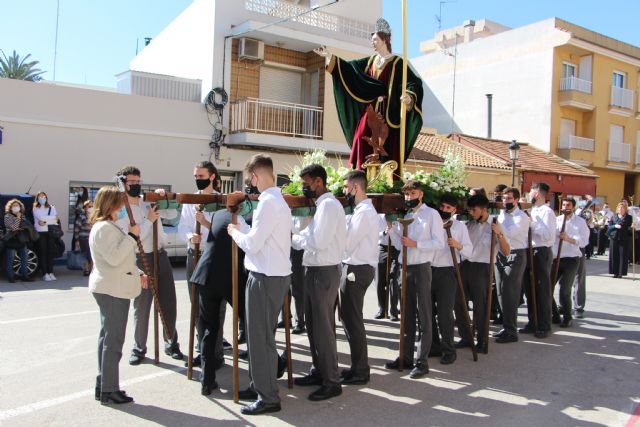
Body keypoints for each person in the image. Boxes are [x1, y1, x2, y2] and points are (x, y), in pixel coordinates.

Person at [227, 154, 293, 415]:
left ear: (255, 175)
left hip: (265, 277)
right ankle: (261, 385)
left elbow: (253, 244)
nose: (249, 185)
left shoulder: (268, 202)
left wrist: (235, 233)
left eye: (248, 180)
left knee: (260, 338)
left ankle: (268, 397)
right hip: (271, 275)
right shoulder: (278, 200)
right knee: (262, 336)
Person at [314, 18, 423, 169]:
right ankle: (360, 174)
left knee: (386, 144)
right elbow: (350, 69)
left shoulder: (398, 63)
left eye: (375, 40)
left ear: (384, 39)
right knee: (360, 137)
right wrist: (329, 57)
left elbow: (414, 82)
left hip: (388, 112)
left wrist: (409, 96)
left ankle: (387, 179)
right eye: (372, 40)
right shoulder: (370, 61)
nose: (372, 43)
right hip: (371, 110)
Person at [114, 166, 183, 365]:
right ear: (122, 183)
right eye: (131, 182)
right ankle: (139, 347)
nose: (135, 185)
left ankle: (171, 342)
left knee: (168, 302)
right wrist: (148, 221)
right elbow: (133, 236)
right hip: (139, 257)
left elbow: (171, 214)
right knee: (142, 306)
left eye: (138, 182)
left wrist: (164, 197)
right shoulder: (121, 209)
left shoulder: (148, 202)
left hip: (160, 255)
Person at [291, 164, 346, 401]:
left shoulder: (328, 205)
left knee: (323, 329)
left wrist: (294, 238)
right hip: (315, 268)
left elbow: (318, 241)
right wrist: (300, 238)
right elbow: (310, 236)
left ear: (318, 182)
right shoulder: (321, 206)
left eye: (306, 183)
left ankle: (332, 381)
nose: (304, 188)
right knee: (313, 326)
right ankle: (319, 371)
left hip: (324, 270)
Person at [89, 185, 145, 405]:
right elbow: (114, 257)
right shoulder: (104, 228)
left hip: (112, 285)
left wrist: (137, 271)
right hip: (112, 290)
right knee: (113, 341)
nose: (123, 207)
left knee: (107, 338)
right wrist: (132, 236)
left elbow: (120, 259)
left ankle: (104, 384)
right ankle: (109, 389)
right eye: (119, 203)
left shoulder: (107, 227)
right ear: (111, 204)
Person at [385, 180, 445, 378]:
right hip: (405, 268)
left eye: (412, 194)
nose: (408, 198)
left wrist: (415, 243)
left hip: (421, 267)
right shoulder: (408, 215)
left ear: (421, 195)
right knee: (406, 315)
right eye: (406, 195)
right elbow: (399, 244)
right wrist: (392, 229)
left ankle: (422, 361)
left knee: (424, 315)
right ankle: (406, 357)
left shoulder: (432, 214)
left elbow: (439, 242)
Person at [190, 205, 248, 397]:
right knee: (251, 323)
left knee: (208, 329)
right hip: (230, 277)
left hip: (207, 275)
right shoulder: (242, 219)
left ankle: (206, 380)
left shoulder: (218, 214)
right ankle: (271, 367)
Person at [177, 160, 226, 369]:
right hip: (194, 255)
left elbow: (224, 229)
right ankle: (202, 349)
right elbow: (183, 227)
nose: (198, 180)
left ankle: (216, 352)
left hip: (213, 256)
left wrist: (206, 224)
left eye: (201, 176)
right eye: (196, 176)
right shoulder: (190, 200)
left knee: (216, 307)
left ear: (212, 176)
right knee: (196, 304)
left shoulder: (220, 201)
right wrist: (190, 236)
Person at [339, 170, 380, 385]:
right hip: (357, 266)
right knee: (348, 318)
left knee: (352, 319)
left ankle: (361, 370)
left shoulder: (363, 212)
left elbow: (348, 242)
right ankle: (357, 366)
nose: (344, 191)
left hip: (357, 268)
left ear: (355, 188)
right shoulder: (361, 211)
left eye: (346, 187)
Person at [456, 195, 510, 351]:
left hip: (482, 267)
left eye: (474, 210)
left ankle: (482, 339)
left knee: (481, 305)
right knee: (459, 302)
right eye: (469, 210)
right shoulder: (468, 223)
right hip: (465, 264)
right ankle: (466, 336)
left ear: (484, 209)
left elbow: (506, 251)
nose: (471, 213)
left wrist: (499, 234)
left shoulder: (495, 223)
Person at [430, 194, 472, 365]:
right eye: (442, 207)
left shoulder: (460, 227)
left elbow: (469, 251)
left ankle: (449, 349)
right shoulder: (432, 223)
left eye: (449, 208)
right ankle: (433, 345)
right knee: (427, 311)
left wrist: (458, 245)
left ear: (455, 210)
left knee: (445, 313)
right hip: (428, 269)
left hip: (448, 271)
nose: (444, 210)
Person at [494, 187, 529, 343]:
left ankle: (512, 331)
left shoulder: (522, 217)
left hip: (516, 254)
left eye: (508, 198)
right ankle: (507, 325)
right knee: (501, 293)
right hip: (501, 253)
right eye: (503, 198)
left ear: (516, 200)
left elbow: (509, 234)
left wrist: (496, 227)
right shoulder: (502, 214)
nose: (505, 201)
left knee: (510, 292)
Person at [520, 183, 555, 339]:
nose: (528, 194)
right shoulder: (531, 210)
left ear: (537, 194)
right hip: (528, 250)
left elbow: (548, 236)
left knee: (541, 289)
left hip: (541, 251)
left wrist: (531, 222)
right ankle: (532, 321)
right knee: (529, 288)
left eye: (531, 192)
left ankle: (544, 325)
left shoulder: (547, 212)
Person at [551, 198, 590, 328]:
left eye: (568, 205)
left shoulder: (580, 222)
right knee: (547, 289)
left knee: (564, 289)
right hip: (556, 258)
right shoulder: (556, 220)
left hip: (572, 259)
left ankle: (567, 317)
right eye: (564, 205)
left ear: (573, 207)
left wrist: (568, 239)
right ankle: (555, 314)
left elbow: (584, 241)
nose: (565, 207)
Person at [375, 214, 400, 321]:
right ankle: (382, 308)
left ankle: (393, 310)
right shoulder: (379, 216)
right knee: (380, 279)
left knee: (393, 280)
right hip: (383, 248)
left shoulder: (399, 216)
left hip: (396, 248)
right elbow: (374, 234)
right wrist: (385, 232)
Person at [3, 199, 34, 283]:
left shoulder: (22, 215)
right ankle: (10, 276)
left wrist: (21, 219)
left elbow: (26, 225)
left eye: (18, 206)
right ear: (10, 207)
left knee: (25, 258)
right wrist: (17, 218)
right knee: (11, 259)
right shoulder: (7, 216)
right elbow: (14, 227)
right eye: (14, 206)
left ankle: (25, 276)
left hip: (22, 239)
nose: (16, 207)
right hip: (12, 239)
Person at [32, 191, 58, 281]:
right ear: (37, 198)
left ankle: (51, 272)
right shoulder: (35, 208)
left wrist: (45, 221)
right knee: (43, 253)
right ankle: (45, 273)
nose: (42, 198)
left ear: (46, 197)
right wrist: (48, 219)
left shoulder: (52, 207)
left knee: (50, 253)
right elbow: (41, 219)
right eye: (40, 196)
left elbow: (55, 219)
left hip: (50, 232)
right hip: (40, 232)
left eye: (44, 196)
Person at [608, 202, 633, 278]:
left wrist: (632, 227)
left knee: (622, 256)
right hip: (614, 237)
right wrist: (614, 226)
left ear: (625, 209)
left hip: (624, 238)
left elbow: (630, 228)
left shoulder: (629, 217)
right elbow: (609, 226)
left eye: (622, 208)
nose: (621, 209)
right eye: (619, 208)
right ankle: (615, 272)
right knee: (614, 255)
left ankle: (620, 273)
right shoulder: (613, 216)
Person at [73, 200, 94, 276]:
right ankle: (86, 269)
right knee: (86, 255)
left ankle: (92, 270)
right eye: (89, 206)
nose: (91, 208)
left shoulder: (94, 217)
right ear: (85, 208)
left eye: (92, 206)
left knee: (92, 255)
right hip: (84, 238)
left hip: (92, 238)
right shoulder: (82, 216)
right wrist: (77, 240)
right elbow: (77, 228)